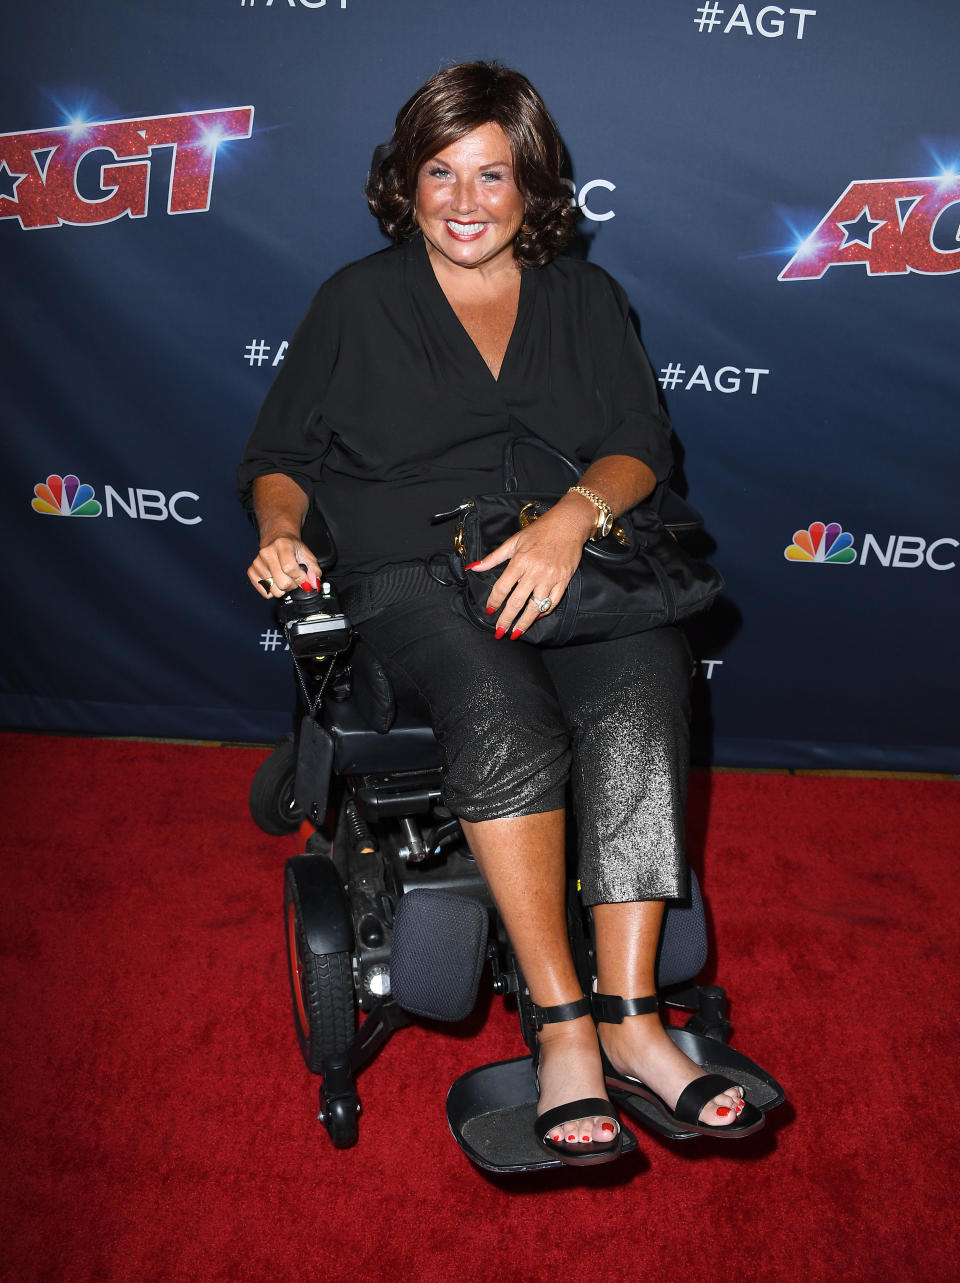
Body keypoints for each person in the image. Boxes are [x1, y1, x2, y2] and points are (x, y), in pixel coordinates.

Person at [239, 61, 759, 1165]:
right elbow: (280, 460)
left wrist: (573, 518)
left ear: (534, 186)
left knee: (646, 676)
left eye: (494, 173)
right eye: (441, 172)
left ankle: (634, 1018)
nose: (466, 201)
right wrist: (280, 530)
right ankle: (562, 1025)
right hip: (413, 576)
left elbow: (638, 446)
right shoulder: (355, 301)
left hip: (557, 555)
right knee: (503, 713)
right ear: (405, 182)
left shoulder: (583, 297)